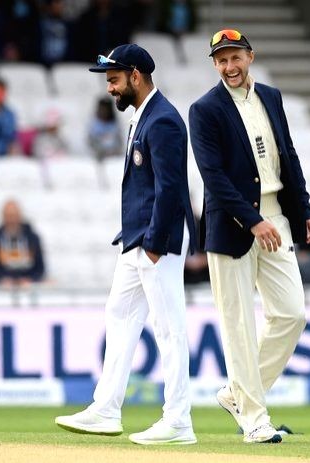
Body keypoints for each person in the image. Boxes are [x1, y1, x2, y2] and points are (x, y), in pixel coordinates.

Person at [55, 44, 197, 446]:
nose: (110, 89)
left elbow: (171, 187)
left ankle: (178, 420)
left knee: (169, 329)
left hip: (158, 238)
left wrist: (154, 241)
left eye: (114, 80)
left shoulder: (164, 120)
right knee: (118, 315)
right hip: (138, 238)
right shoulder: (143, 117)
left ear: (136, 75)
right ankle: (106, 409)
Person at [189, 29, 310, 444]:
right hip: (231, 226)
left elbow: (288, 156)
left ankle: (237, 395)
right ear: (214, 64)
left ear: (250, 56)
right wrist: (252, 219)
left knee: (292, 314)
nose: (230, 67)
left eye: (235, 58)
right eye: (221, 60)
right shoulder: (204, 109)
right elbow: (213, 176)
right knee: (239, 325)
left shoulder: (272, 98)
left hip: (277, 218)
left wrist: (304, 212)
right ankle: (254, 420)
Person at [0, 200, 45, 287]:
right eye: (8, 216)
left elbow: (40, 267)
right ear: (3, 217)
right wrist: (1, 279)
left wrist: (30, 279)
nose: (11, 220)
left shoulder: (33, 239)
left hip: (28, 287)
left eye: (14, 216)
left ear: (20, 216)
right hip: (2, 289)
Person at [38, 0, 74, 66]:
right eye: (56, 3)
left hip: (64, 63)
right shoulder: (41, 24)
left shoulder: (68, 25)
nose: (59, 6)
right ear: (49, 6)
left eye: (60, 4)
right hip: (44, 63)